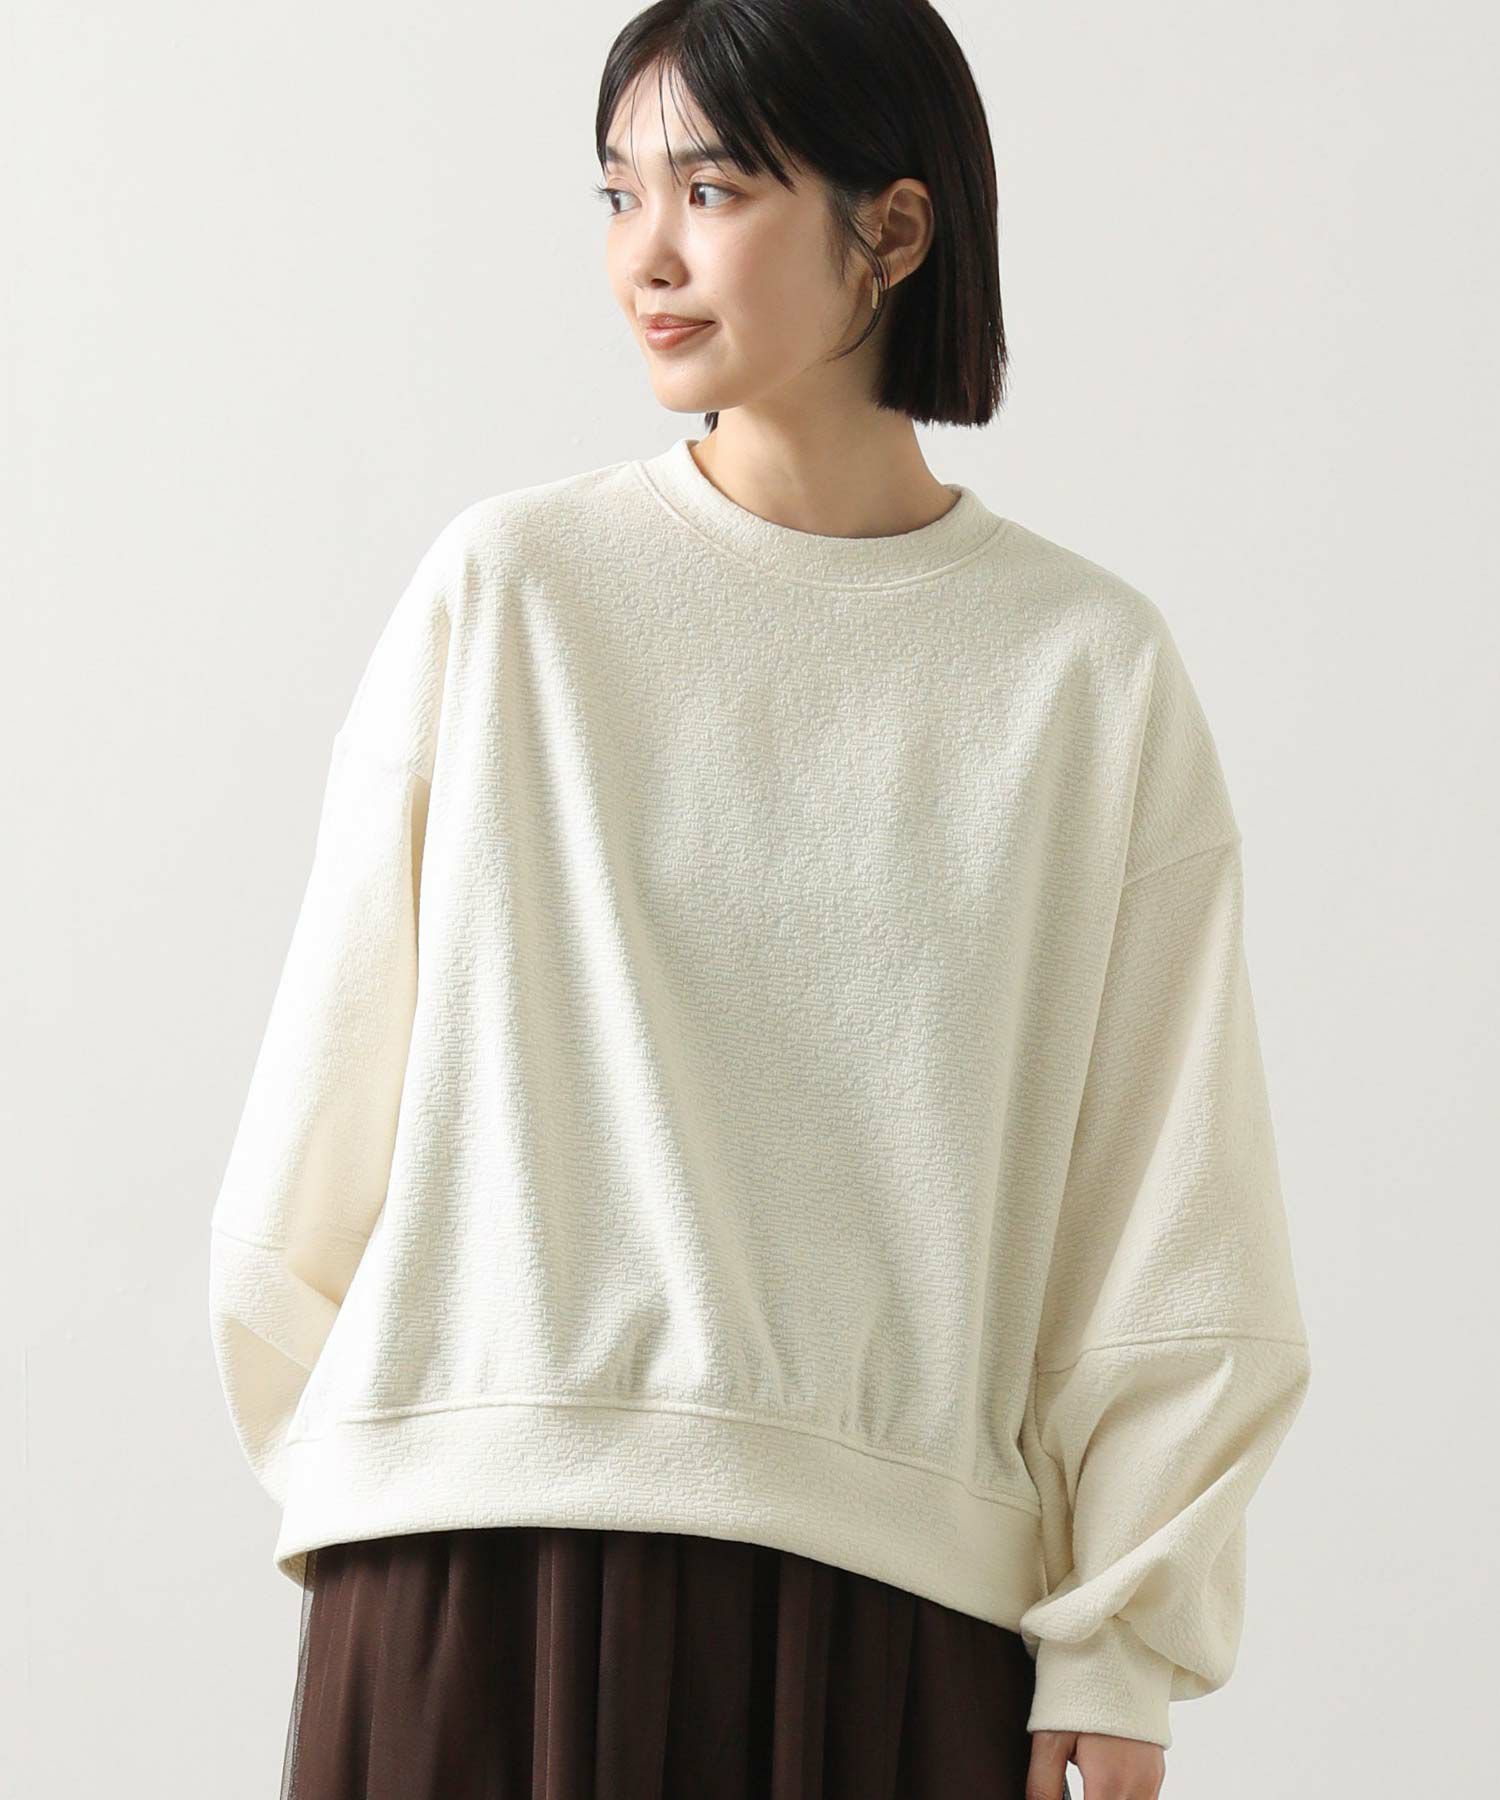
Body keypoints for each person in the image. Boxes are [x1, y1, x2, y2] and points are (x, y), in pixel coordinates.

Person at [208, 4, 1312, 1797]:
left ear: (895, 227)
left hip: (892, 1597)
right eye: (618, 192)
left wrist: (1124, 1635)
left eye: (711, 191)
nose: (645, 254)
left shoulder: (1082, 673)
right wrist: (390, 1472)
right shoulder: (516, 592)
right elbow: (322, 1108)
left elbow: (1170, 1199)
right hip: (477, 1563)